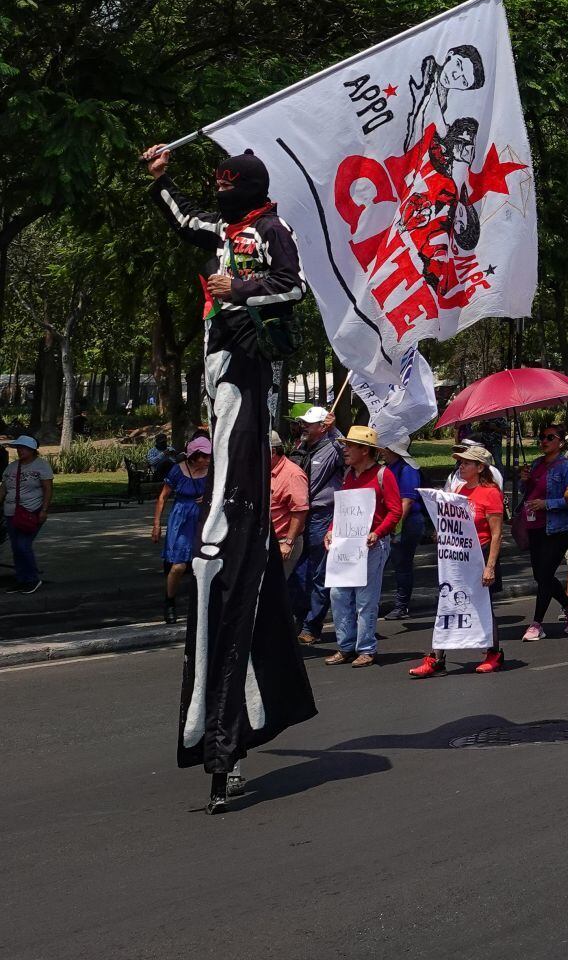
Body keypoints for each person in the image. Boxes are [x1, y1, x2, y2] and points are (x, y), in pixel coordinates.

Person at [142, 142, 315, 811]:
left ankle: (227, 514)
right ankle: (227, 736)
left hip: (249, 365)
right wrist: (162, 181)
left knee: (233, 500)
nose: (220, 195)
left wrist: (238, 288)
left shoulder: (273, 231)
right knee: (223, 441)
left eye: (227, 185)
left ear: (248, 187)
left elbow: (295, 285)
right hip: (218, 370)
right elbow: (184, 220)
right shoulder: (223, 228)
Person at [410, 443, 508, 677]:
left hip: (481, 554)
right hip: (458, 557)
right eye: (460, 462)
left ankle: (493, 652)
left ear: (480, 467)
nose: (461, 466)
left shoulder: (491, 493)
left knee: (483, 606)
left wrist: (490, 567)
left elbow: (497, 533)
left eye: (466, 462)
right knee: (447, 601)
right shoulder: (462, 490)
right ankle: (436, 657)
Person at [324, 426, 401, 668]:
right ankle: (346, 646)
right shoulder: (349, 475)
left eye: (350, 446)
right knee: (338, 595)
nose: (345, 450)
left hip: (372, 546)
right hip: (347, 545)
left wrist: (378, 533)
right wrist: (331, 530)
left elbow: (395, 511)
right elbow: (344, 509)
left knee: (365, 599)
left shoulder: (383, 475)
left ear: (365, 450)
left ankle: (366, 648)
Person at [517, 420, 568, 640]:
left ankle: (537, 623)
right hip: (535, 526)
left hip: (558, 528)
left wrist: (546, 504)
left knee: (544, 574)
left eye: (550, 437)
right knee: (539, 575)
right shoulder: (536, 464)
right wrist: (524, 481)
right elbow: (528, 492)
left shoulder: (567, 468)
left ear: (561, 442)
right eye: (542, 437)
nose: (544, 441)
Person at [291, 405, 343, 642]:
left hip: (323, 515)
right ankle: (299, 618)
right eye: (303, 422)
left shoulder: (332, 447)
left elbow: (347, 452)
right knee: (298, 570)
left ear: (322, 427)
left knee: (319, 572)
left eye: (309, 424)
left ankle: (312, 626)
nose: (303, 426)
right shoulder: (302, 447)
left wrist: (335, 431)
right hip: (301, 514)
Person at [151, 436, 214, 624]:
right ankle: (169, 602)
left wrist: (209, 497)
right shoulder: (177, 471)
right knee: (178, 565)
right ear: (194, 456)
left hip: (203, 520)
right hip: (181, 519)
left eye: (209, 456)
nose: (207, 460)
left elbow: (224, 491)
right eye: (204, 457)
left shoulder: (212, 471)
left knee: (202, 565)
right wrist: (156, 524)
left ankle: (201, 605)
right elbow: (163, 497)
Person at [378, 435, 425, 622]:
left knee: (402, 564)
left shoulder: (408, 470)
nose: (382, 450)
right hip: (395, 523)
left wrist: (394, 528)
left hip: (407, 523)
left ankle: (401, 605)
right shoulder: (390, 468)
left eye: (385, 448)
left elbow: (406, 502)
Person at [2, 435, 52, 593]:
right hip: (11, 512)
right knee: (16, 547)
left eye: (23, 448)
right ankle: (21, 579)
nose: (20, 451)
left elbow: (48, 489)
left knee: (23, 545)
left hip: (32, 511)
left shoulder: (41, 466)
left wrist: (44, 510)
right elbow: (4, 487)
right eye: (18, 448)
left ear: (32, 450)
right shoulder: (12, 467)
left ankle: (32, 578)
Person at [267, 432, 309, 581]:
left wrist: (288, 543)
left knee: (274, 588)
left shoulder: (293, 475)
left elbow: (300, 511)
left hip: (282, 542)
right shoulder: (264, 470)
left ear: (272, 452)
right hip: (266, 541)